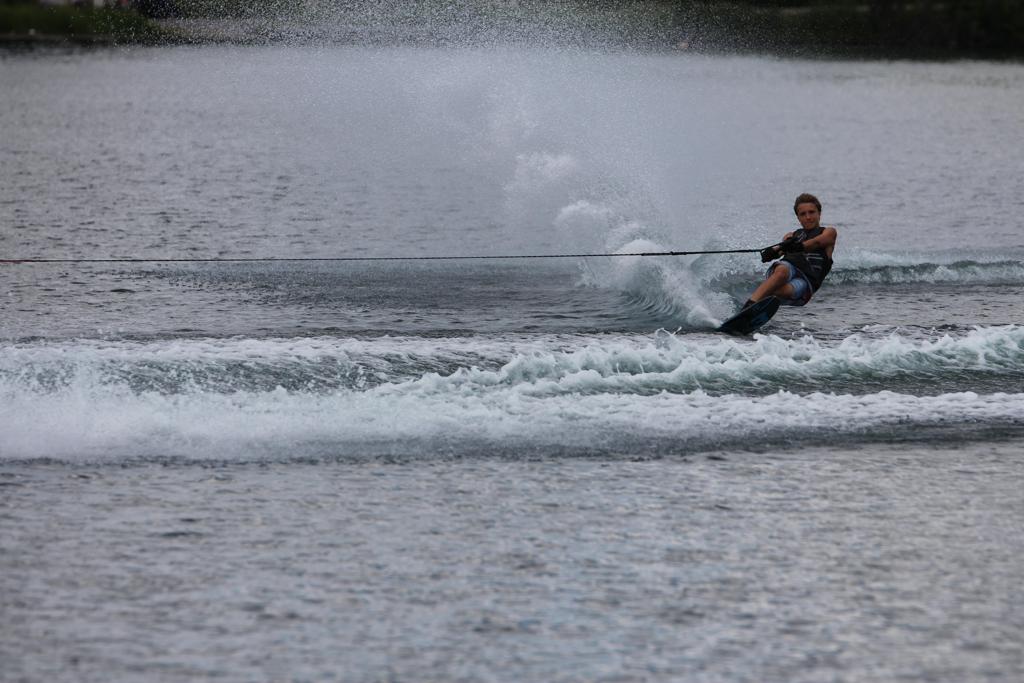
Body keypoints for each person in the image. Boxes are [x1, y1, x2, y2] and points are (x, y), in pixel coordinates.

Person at [741, 193, 837, 310]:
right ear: (798, 218)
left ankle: (759, 302)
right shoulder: (792, 236)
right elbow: (779, 251)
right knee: (782, 271)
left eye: (811, 212)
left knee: (775, 289)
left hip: (805, 283)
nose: (808, 217)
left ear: (819, 213)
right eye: (803, 214)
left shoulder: (829, 232)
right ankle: (749, 306)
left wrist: (799, 246)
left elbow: (817, 242)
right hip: (787, 268)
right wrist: (770, 252)